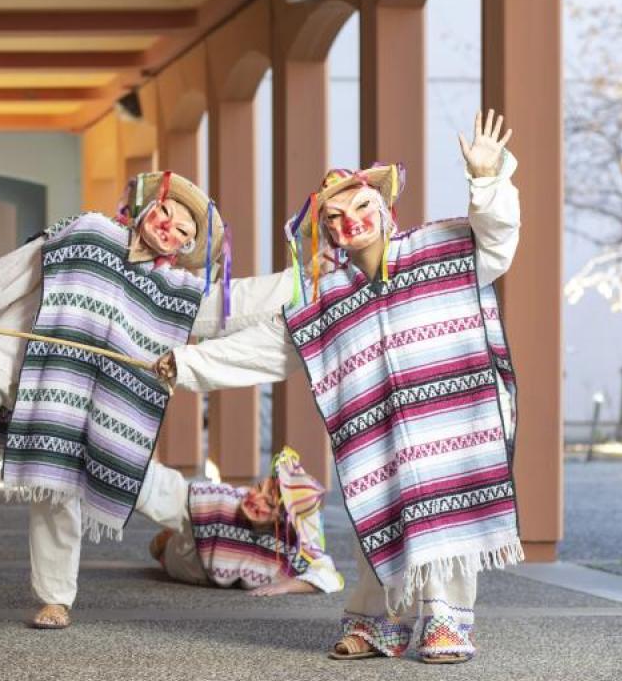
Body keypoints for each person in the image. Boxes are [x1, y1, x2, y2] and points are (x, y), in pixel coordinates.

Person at [0, 171, 296, 630]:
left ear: (184, 248)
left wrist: (302, 282)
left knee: (56, 481)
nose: (169, 227)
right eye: (167, 212)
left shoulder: (170, 292)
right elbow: (16, 270)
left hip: (65, 388)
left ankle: (56, 597)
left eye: (184, 230)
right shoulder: (89, 230)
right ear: (150, 207)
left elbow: (231, 304)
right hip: (8, 355)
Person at [154, 111, 521, 664]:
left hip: (450, 412)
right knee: (379, 503)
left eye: (361, 207)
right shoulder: (322, 300)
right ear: (323, 230)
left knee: (446, 502)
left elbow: (497, 241)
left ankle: (446, 618)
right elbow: (269, 347)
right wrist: (184, 364)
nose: (351, 221)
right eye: (334, 217)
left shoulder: (444, 248)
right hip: (376, 427)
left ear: (384, 208)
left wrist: (487, 181)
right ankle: (382, 620)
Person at [146, 447, 343, 596]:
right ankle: (170, 538)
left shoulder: (291, 550)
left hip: (200, 573)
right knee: (165, 542)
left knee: (164, 552)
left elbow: (330, 577)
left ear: (283, 526)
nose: (255, 498)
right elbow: (174, 492)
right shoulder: (229, 499)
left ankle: (167, 542)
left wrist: (285, 586)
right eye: (259, 487)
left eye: (269, 504)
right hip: (197, 543)